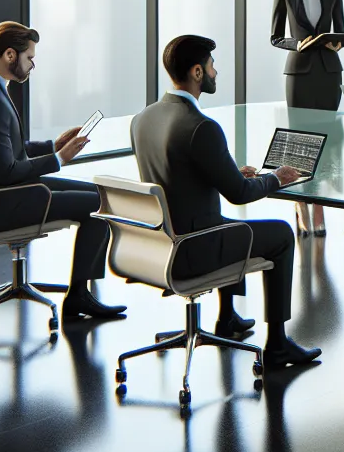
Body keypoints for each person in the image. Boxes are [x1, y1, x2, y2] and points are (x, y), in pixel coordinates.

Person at [130, 34, 320, 367]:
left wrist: (231, 172)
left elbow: (179, 176)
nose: (216, 72)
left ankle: (228, 317)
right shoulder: (201, 126)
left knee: (228, 226)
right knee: (281, 235)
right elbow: (239, 195)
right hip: (193, 249)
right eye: (212, 66)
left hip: (159, 242)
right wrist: (275, 178)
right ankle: (276, 344)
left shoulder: (142, 119)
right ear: (197, 72)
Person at [0, 22, 127, 323]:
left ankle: (82, 292)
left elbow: (5, 149)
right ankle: (78, 296)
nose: (32, 65)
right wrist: (58, 159)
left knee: (99, 195)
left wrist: (52, 145)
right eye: (29, 58)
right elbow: (7, 171)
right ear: (10, 55)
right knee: (100, 205)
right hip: (3, 202)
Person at [270, 0, 344, 236]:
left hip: (329, 71)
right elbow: (276, 37)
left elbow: (339, 30)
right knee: (298, 141)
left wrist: (338, 41)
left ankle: (319, 204)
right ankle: (300, 202)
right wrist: (296, 43)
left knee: (328, 139)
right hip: (299, 72)